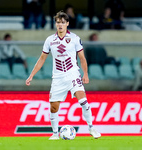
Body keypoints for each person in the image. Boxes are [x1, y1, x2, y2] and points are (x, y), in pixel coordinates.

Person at [26, 11, 101, 140]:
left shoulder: (75, 38)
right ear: (55, 24)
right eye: (58, 22)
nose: (60, 25)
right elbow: (42, 58)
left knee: (83, 100)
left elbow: (82, 58)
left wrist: (85, 74)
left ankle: (91, 128)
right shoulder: (50, 40)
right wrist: (31, 75)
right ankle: (55, 133)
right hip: (58, 77)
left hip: (73, 74)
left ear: (67, 23)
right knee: (54, 106)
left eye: (62, 22)